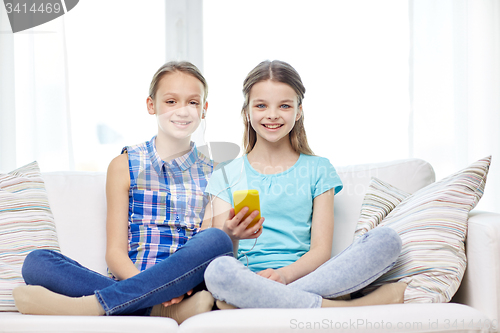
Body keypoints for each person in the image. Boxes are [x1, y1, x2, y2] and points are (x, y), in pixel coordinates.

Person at [13, 61, 233, 322]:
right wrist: (152, 291)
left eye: (193, 103)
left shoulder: (216, 172)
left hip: (185, 285)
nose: (182, 111)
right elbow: (115, 253)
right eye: (171, 101)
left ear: (204, 109)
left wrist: (174, 285)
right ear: (152, 105)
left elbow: (210, 254)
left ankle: (95, 305)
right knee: (37, 262)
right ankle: (157, 310)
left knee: (218, 241)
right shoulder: (124, 165)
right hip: (133, 278)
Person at [202, 60, 407, 309]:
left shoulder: (318, 169)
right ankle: (343, 308)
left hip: (306, 278)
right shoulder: (225, 174)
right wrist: (232, 236)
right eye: (261, 105)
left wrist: (284, 276)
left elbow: (320, 252)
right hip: (244, 279)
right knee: (217, 271)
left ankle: (259, 302)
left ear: (298, 111)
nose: (273, 114)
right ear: (247, 111)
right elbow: (212, 254)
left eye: (285, 105)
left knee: (386, 240)